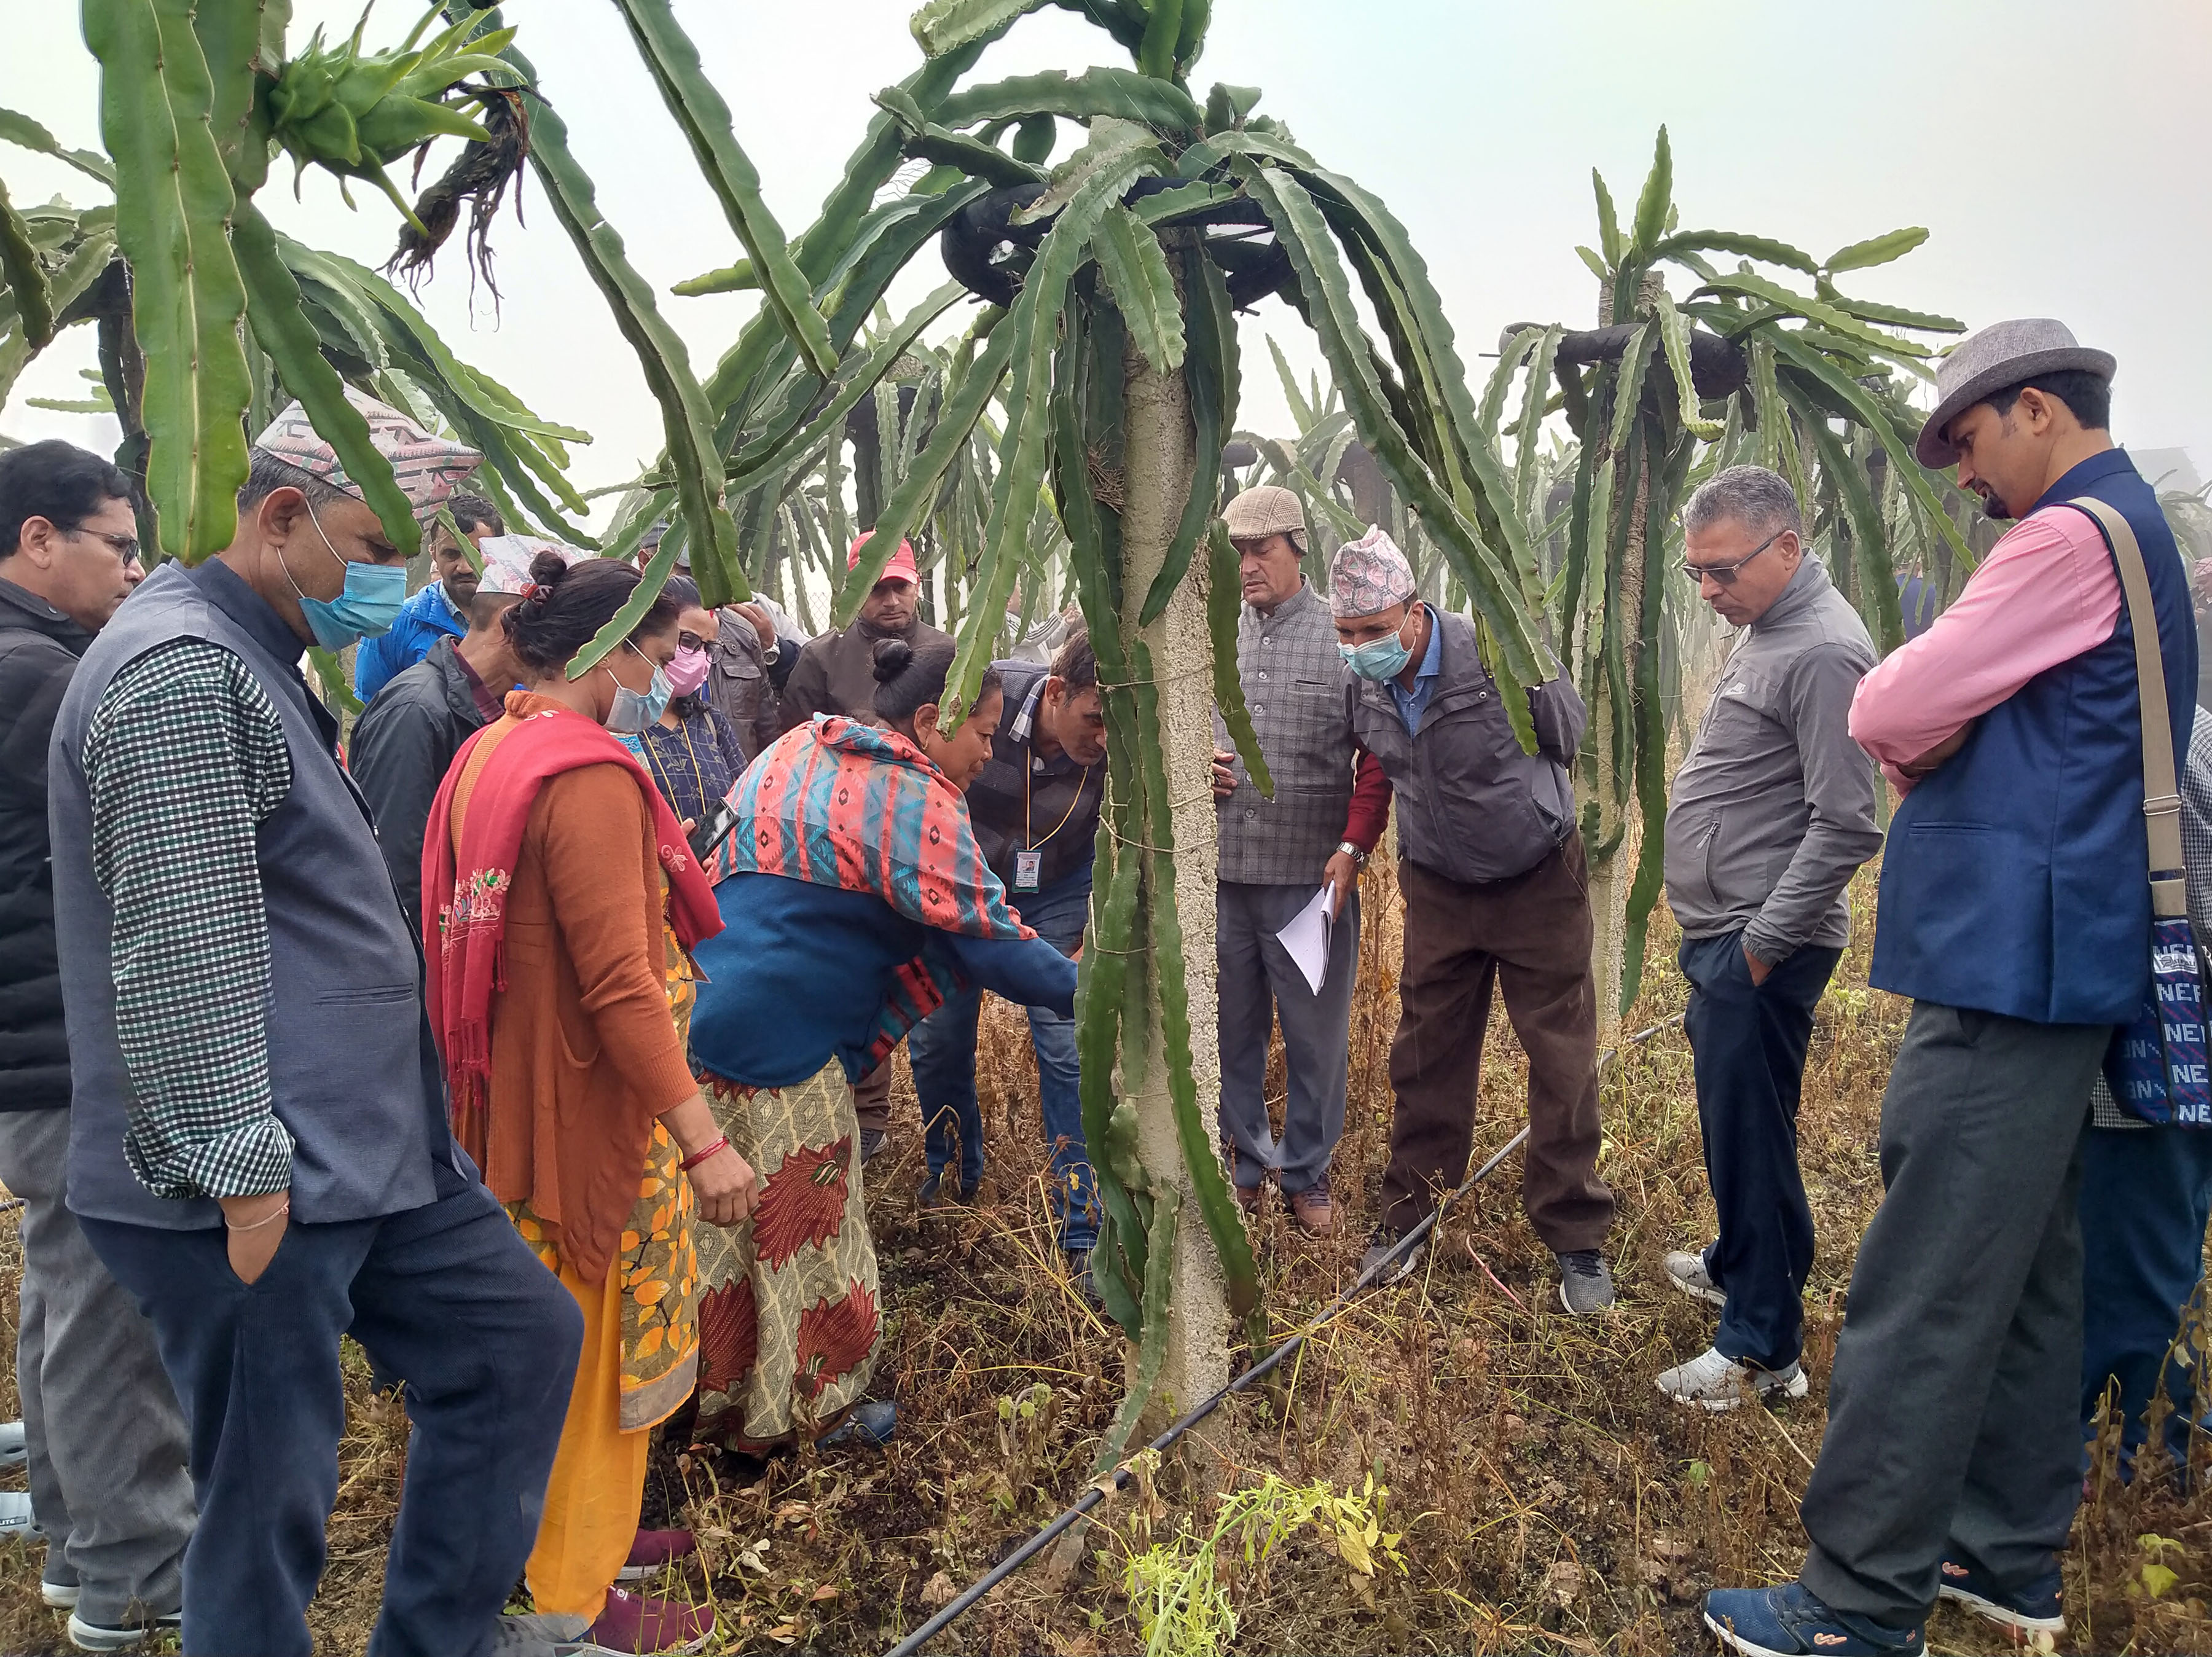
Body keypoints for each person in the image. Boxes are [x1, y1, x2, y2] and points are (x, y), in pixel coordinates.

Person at [46, 391, 586, 1657]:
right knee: (263, 1500)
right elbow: (183, 946)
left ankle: (442, 1638)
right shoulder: (178, 668)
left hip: (364, 1153)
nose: (410, 572)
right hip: (249, 1173)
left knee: (515, 1341)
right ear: (283, 517)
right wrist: (242, 1184)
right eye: (380, 538)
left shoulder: (258, 659)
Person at [1706, 321, 2196, 1657]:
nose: (1965, 477)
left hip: (2007, 957)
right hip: (2064, 950)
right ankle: (2006, 1551)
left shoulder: (2061, 539)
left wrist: (1936, 732)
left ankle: (1857, 1598)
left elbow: (1886, 705)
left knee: (1919, 1280)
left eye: (1970, 442)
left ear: (2038, 409)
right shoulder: (2134, 525)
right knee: (2033, 1265)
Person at [422, 551, 758, 1655]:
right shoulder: (591, 778)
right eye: (658, 653)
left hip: (509, 1099)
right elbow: (619, 980)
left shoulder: (491, 749)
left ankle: (586, 1541)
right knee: (588, 1342)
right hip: (587, 1107)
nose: (665, 676)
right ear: (610, 650)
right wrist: (703, 1141)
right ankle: (574, 1600)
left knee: (547, 1339)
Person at [686, 638, 1077, 1454]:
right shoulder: (915, 797)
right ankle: (810, 1415)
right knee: (807, 1236)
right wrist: (1092, 990)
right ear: (931, 722)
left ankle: (712, 1406)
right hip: (787, 1049)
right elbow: (986, 941)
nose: (985, 753)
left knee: (720, 1236)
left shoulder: (802, 745)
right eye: (982, 733)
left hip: (698, 1016)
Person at [0, 441, 195, 1651]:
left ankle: (84, 1542)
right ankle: (135, 1568)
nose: (134, 571)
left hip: (41, 1034)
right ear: (36, 540)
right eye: (117, 546)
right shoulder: (32, 674)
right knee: (111, 1302)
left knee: (71, 1290)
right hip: (66, 1035)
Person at [1333, 526, 1618, 1314]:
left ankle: (1576, 1236)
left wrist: (1536, 659)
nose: (1358, 648)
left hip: (1536, 878)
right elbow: (1370, 767)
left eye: (1372, 631)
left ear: (1415, 613)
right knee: (1425, 1053)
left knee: (1560, 1055)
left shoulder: (1493, 652)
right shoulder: (1363, 683)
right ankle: (1408, 1219)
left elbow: (1569, 738)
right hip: (1440, 885)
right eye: (1346, 635)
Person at [1654, 465, 1881, 1409]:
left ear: (1786, 547)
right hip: (1731, 931)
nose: (1707, 592)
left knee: (1749, 1138)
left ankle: (1760, 1350)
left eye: (1722, 571)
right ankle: (1745, 1263)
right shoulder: (1768, 629)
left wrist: (1756, 947)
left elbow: (1847, 822)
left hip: (1762, 943)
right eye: (1694, 574)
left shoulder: (1824, 652)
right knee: (1746, 1131)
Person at [1207, 485, 1389, 1235]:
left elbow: (1378, 755)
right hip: (1222, 875)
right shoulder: (1212, 634)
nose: (1247, 566)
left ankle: (1307, 1173)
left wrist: (1353, 847)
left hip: (1310, 885)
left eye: (1262, 551)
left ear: (1297, 550)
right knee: (1232, 1028)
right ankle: (1248, 1164)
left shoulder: (1340, 635)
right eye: (1237, 553)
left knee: (1315, 1036)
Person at [907, 632, 1106, 1277]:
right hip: (964, 886)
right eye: (1093, 719)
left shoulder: (1118, 739)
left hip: (1059, 888)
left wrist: (1095, 926)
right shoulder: (985, 699)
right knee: (940, 1033)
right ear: (1055, 693)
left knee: (1066, 1041)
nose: (1104, 739)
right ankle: (955, 1178)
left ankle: (1081, 1224)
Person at [779, 533, 955, 1161]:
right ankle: (860, 1120)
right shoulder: (820, 660)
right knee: (855, 974)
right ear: (855, 589)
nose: (890, 599)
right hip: (840, 846)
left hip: (929, 840)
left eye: (899, 586)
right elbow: (793, 749)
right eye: (877, 588)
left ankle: (936, 1134)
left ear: (917, 584)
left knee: (928, 983)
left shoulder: (950, 653)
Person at [2075, 712, 2212, 1481]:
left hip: (2155, 1050)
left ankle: (2142, 1465)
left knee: (2141, 1265)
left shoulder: (2158, 741)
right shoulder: (2183, 730)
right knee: (2156, 1250)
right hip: (2170, 1050)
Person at [350, 535, 563, 934]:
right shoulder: (415, 712)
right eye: (555, 632)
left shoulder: (491, 706)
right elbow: (399, 877)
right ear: (510, 621)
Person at [619, 574, 751, 827]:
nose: (699, 657)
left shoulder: (711, 722)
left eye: (709, 648)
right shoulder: (616, 723)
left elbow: (744, 800)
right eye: (688, 641)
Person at [352, 492, 504, 700]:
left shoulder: (524, 622)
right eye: (451, 554)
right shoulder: (393, 626)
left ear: (501, 554)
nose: (465, 567)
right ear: (433, 553)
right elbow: (369, 709)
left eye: (478, 554)